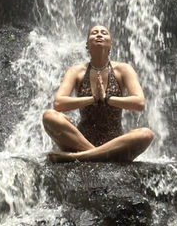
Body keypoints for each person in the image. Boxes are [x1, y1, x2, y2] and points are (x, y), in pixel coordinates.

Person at [43, 23, 154, 162]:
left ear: (111, 44)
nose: (99, 34)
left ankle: (81, 157)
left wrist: (107, 98)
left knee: (146, 134)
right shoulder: (76, 71)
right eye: (94, 32)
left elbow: (139, 103)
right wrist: (92, 99)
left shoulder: (123, 69)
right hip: (79, 142)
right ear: (87, 44)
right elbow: (59, 103)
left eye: (104, 33)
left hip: (116, 145)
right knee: (49, 116)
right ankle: (95, 154)